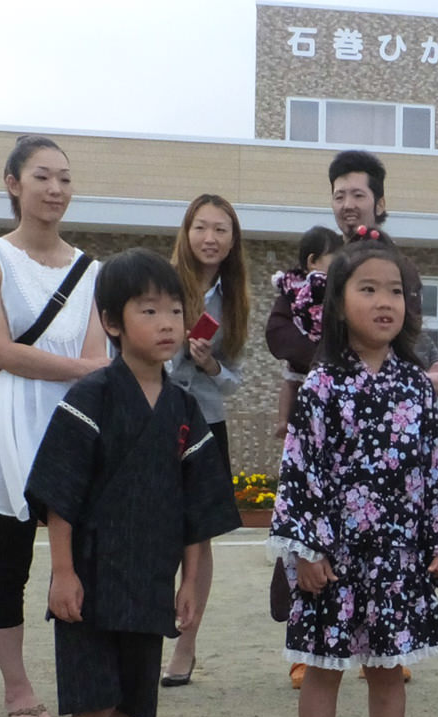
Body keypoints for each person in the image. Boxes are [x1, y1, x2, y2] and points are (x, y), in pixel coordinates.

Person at [27, 248, 239, 717]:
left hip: (149, 580)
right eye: (149, 310)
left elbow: (199, 508)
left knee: (126, 710)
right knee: (91, 707)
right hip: (91, 580)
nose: (168, 322)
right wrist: (61, 573)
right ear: (113, 322)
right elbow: (60, 496)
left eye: (175, 309)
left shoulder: (183, 408)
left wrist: (193, 581)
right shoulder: (91, 395)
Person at [270, 240, 438, 717]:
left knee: (386, 667)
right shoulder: (321, 384)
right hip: (333, 554)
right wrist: (306, 550)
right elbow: (300, 468)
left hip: (398, 554)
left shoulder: (419, 387)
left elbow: (435, 466)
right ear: (338, 303)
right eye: (368, 289)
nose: (384, 302)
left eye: (396, 292)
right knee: (323, 668)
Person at [0, 135, 110, 717]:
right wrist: (87, 372)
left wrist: (92, 376)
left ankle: (91, 678)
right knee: (11, 560)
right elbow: (2, 352)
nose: (56, 190)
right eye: (43, 177)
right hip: (11, 423)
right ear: (13, 183)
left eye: (65, 179)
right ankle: (18, 687)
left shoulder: (93, 270)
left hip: (76, 422)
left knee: (85, 558)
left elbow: (100, 351)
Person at [161, 194, 249, 687]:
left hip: (207, 421)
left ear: (233, 240)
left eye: (221, 229)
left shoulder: (236, 297)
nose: (210, 238)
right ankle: (148, 634)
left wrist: (211, 364)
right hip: (158, 416)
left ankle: (186, 647)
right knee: (155, 529)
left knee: (199, 534)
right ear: (186, 231)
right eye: (201, 227)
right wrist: (178, 352)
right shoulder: (162, 281)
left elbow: (235, 380)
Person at [267, 225, 343, 689]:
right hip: (310, 404)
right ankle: (301, 647)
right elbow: (280, 340)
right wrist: (328, 360)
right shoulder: (292, 293)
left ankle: (381, 652)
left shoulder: (360, 284)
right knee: (299, 531)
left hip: (356, 417)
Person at [320, 150, 438, 395]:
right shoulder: (321, 264)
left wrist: (426, 372)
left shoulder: (400, 268)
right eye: (339, 197)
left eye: (358, 195)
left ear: (379, 204)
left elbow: (409, 331)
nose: (348, 205)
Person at [268, 225, 343, 436]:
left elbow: (281, 282)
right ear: (312, 261)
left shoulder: (293, 282)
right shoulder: (322, 281)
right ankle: (285, 422)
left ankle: (283, 421)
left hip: (305, 332)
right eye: (335, 260)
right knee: (293, 382)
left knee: (291, 381)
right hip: (313, 335)